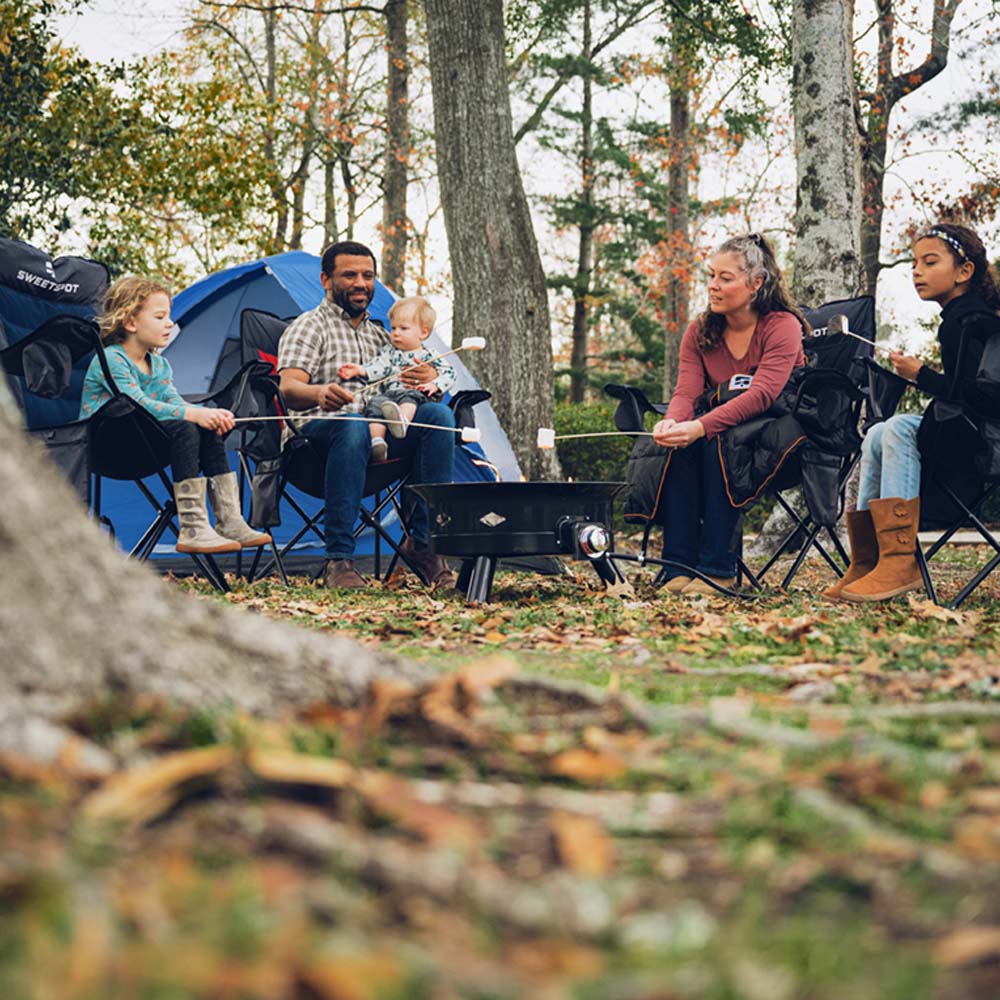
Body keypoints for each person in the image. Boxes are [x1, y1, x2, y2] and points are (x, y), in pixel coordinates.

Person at [826, 223, 1000, 603]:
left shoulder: (979, 322)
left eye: (930, 261)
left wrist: (921, 375)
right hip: (970, 436)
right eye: (915, 262)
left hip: (989, 443)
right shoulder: (959, 319)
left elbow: (988, 398)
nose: (916, 270)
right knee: (877, 433)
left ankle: (900, 561)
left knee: (900, 428)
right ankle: (869, 561)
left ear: (964, 271)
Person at [276, 241, 456, 590]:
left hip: (380, 447)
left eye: (368, 275)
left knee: (437, 416)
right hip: (314, 449)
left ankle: (423, 544)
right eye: (350, 275)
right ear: (326, 280)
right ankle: (339, 560)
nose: (361, 282)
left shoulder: (385, 336)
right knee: (352, 425)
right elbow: (288, 389)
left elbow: (415, 383)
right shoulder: (309, 326)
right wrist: (319, 392)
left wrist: (430, 380)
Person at [651, 233, 807, 594]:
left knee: (717, 442)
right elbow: (687, 391)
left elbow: (763, 394)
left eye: (725, 278)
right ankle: (678, 567)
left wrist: (700, 427)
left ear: (756, 283)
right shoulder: (700, 331)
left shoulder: (783, 326)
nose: (713, 286)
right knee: (684, 445)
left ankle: (718, 570)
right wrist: (675, 423)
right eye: (710, 276)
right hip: (721, 432)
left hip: (777, 440)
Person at [79, 276, 271, 554]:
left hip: (147, 444)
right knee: (186, 426)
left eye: (168, 315)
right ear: (130, 322)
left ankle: (229, 520)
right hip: (110, 448)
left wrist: (211, 415)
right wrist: (193, 414)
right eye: (160, 316)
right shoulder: (111, 360)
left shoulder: (159, 364)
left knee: (202, 427)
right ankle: (192, 527)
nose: (170, 323)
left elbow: (173, 401)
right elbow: (139, 403)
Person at [336, 295, 457, 462]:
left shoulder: (429, 355)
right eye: (393, 328)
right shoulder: (389, 351)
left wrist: (434, 384)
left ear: (423, 332)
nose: (396, 334)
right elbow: (379, 367)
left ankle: (402, 423)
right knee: (375, 405)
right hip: (389, 394)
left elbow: (449, 373)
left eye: (403, 328)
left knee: (409, 399)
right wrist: (359, 370)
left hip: (411, 392)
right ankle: (377, 442)